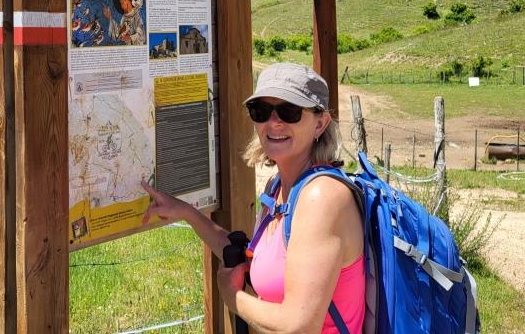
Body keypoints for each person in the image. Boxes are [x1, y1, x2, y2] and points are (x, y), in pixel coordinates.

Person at [143, 63, 365, 334]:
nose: (274, 122)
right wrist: (187, 213)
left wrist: (234, 298)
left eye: (290, 111)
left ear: (320, 123)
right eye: (261, 111)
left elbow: (300, 326)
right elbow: (257, 257)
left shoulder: (322, 197)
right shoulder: (278, 187)